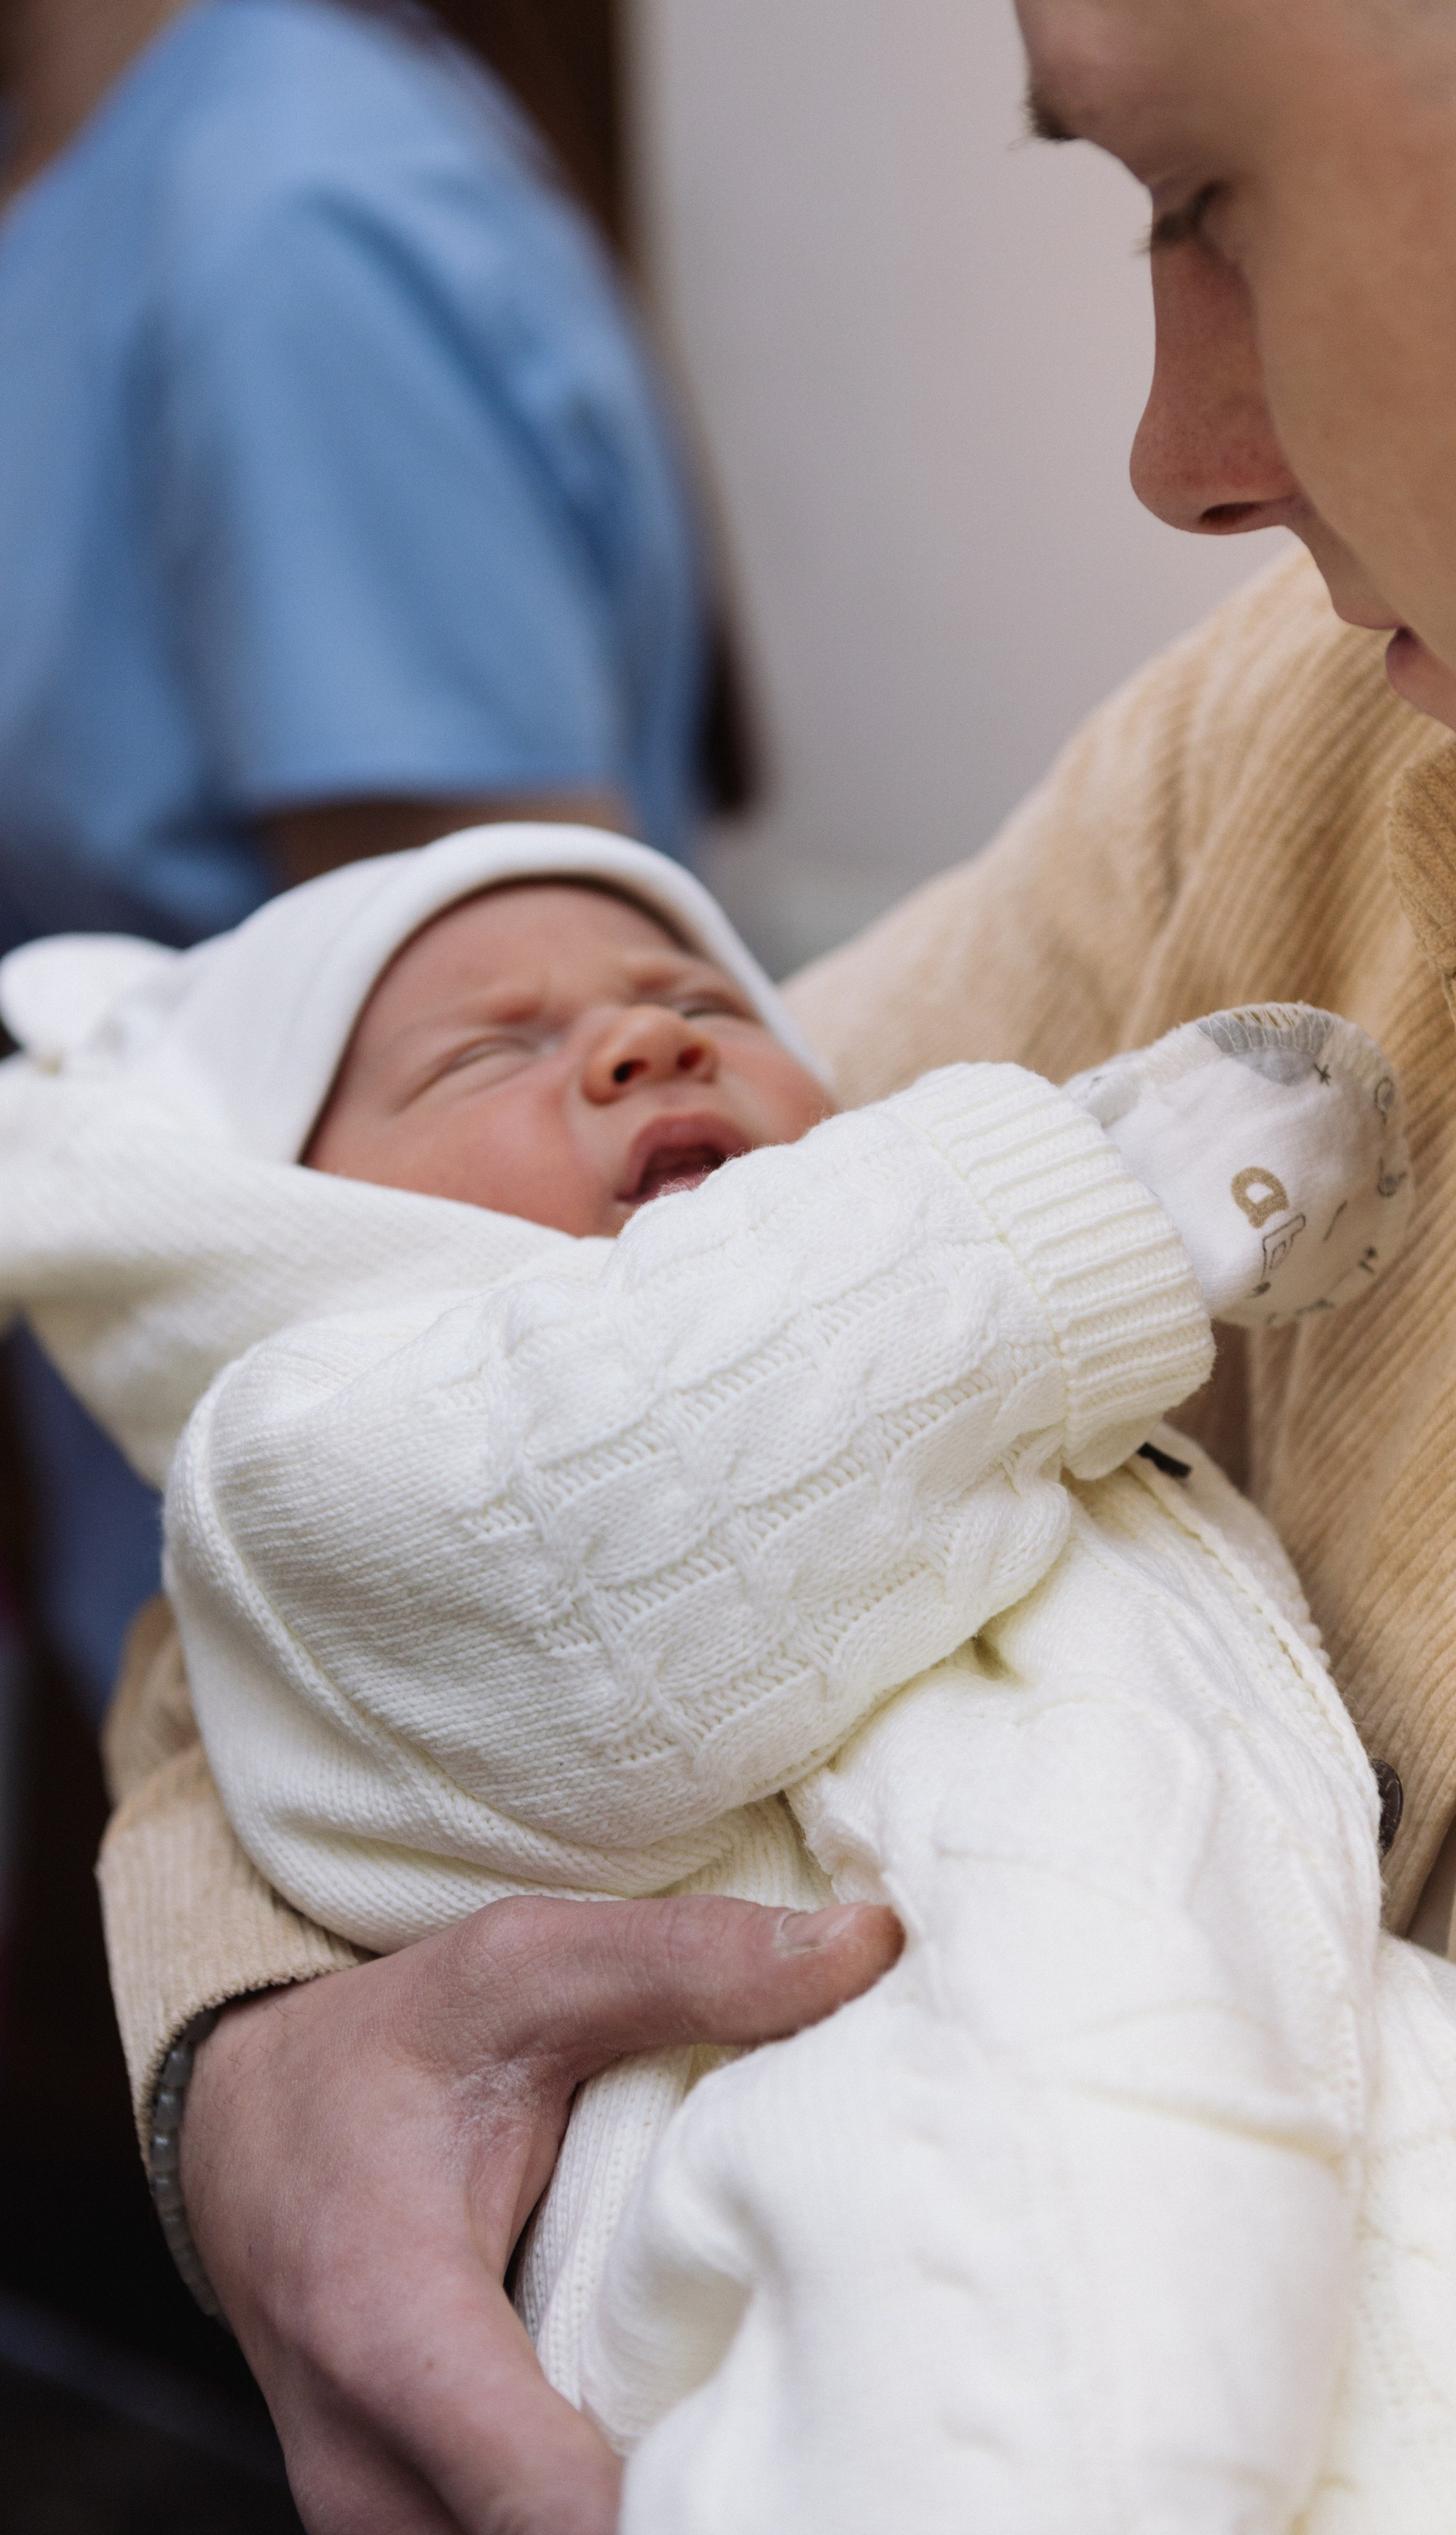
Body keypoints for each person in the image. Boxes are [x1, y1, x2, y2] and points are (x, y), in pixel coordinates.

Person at [84, 1, 1456, 2535]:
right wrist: (261, 2068)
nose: (1176, 454)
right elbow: (421, 1407)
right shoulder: (1308, 771)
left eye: (1210, 199)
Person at [3, 828, 1456, 2535]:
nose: (630, 1047)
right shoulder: (326, 1461)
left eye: (697, 1007)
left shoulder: (899, 1363)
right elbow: (603, 1525)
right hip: (884, 2195)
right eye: (486, 1052)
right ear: (279, 1231)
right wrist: (1057, 1215)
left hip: (1340, 2185)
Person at [0, 0, 709, 1719]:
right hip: (163, 1586)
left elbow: (531, 1105)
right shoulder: (106, 176)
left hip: (404, 1650)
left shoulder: (286, 219)